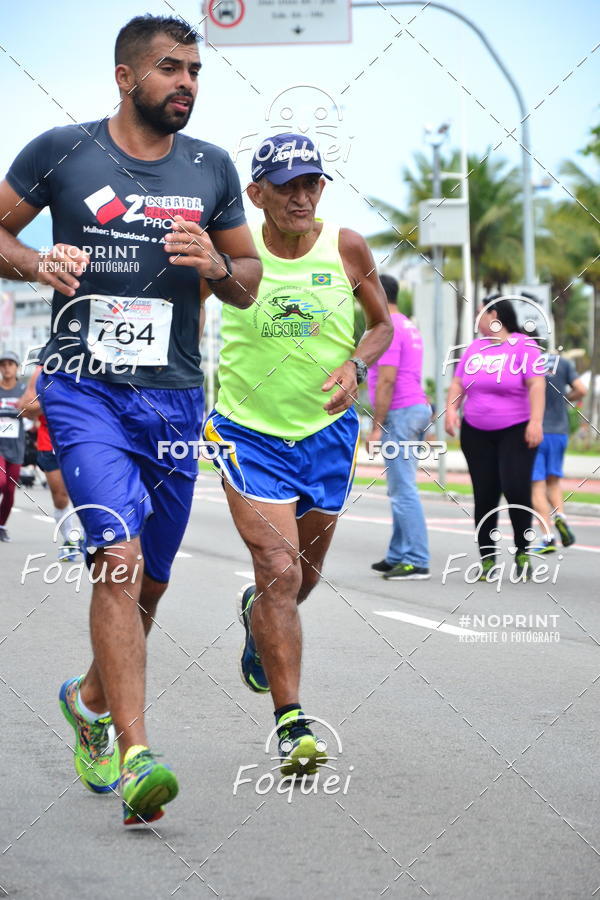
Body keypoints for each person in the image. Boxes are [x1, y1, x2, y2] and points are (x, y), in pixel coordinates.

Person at [0, 14, 261, 825]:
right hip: (85, 387)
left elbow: (247, 278)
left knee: (148, 581)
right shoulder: (61, 151)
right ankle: (138, 753)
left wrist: (216, 264)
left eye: (194, 71)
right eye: (171, 68)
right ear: (126, 78)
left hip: (175, 395)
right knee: (117, 552)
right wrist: (37, 259)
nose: (186, 82)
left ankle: (88, 698)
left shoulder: (211, 166)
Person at [202, 133, 392, 774]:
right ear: (255, 194)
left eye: (311, 183)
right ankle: (292, 724)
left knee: (302, 581)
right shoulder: (236, 250)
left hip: (325, 437)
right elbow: (179, 309)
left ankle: (258, 618)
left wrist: (355, 365)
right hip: (246, 431)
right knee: (280, 570)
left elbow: (382, 324)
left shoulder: (346, 246)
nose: (302, 196)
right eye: (286, 186)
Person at [445, 297, 545, 579]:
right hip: (476, 432)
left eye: (479, 314)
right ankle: (487, 559)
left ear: (495, 314)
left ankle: (523, 552)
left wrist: (536, 421)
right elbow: (457, 382)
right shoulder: (475, 349)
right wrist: (451, 410)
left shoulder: (524, 346)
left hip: (516, 429)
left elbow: (536, 383)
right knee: (485, 494)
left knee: (515, 489)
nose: (476, 320)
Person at [366, 274, 431, 580]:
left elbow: (388, 380)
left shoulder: (388, 329)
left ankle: (417, 560)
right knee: (398, 486)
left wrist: (376, 426)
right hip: (414, 407)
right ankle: (397, 554)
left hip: (401, 411)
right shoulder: (407, 324)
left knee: (403, 488)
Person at [18, 365, 81, 561]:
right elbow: (25, 408)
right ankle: (71, 539)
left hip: (81, 438)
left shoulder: (88, 365)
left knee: (85, 493)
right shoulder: (41, 371)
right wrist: (51, 402)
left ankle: (93, 539)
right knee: (59, 496)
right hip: (49, 440)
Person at [531, 352, 587, 552]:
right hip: (559, 432)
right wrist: (564, 399)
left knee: (536, 485)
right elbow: (581, 389)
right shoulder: (563, 363)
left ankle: (547, 538)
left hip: (535, 431)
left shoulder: (524, 362)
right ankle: (560, 517)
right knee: (553, 481)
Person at [0, 350, 26, 541]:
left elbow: (35, 411)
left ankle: (1, 525)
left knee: (10, 490)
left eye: (10, 364)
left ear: (17, 367)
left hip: (16, 445)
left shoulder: (24, 390)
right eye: (3, 364)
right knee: (0, 482)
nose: (7, 367)